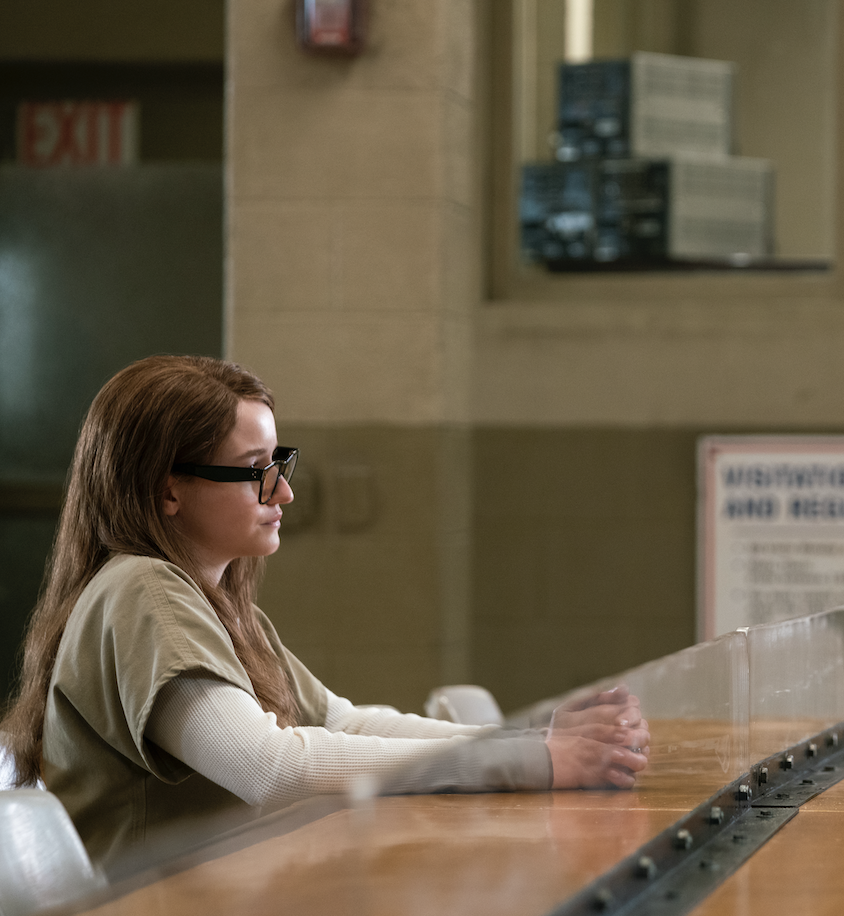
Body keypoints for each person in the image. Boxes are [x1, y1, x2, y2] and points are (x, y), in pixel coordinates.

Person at [0, 356, 650, 872]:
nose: (283, 491)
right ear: (167, 487)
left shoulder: (209, 601)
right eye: (255, 470)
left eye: (279, 463)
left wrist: (523, 744)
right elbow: (272, 769)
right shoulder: (143, 591)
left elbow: (336, 719)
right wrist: (527, 760)